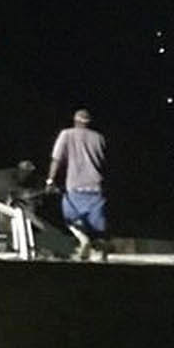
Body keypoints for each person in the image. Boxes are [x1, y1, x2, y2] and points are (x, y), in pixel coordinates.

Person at [47, 108, 108, 261]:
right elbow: (104, 163)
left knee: (70, 219)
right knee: (98, 228)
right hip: (96, 187)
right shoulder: (99, 138)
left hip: (75, 187)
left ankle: (83, 240)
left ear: (75, 121)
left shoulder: (66, 134)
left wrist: (50, 180)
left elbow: (56, 159)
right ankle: (99, 254)